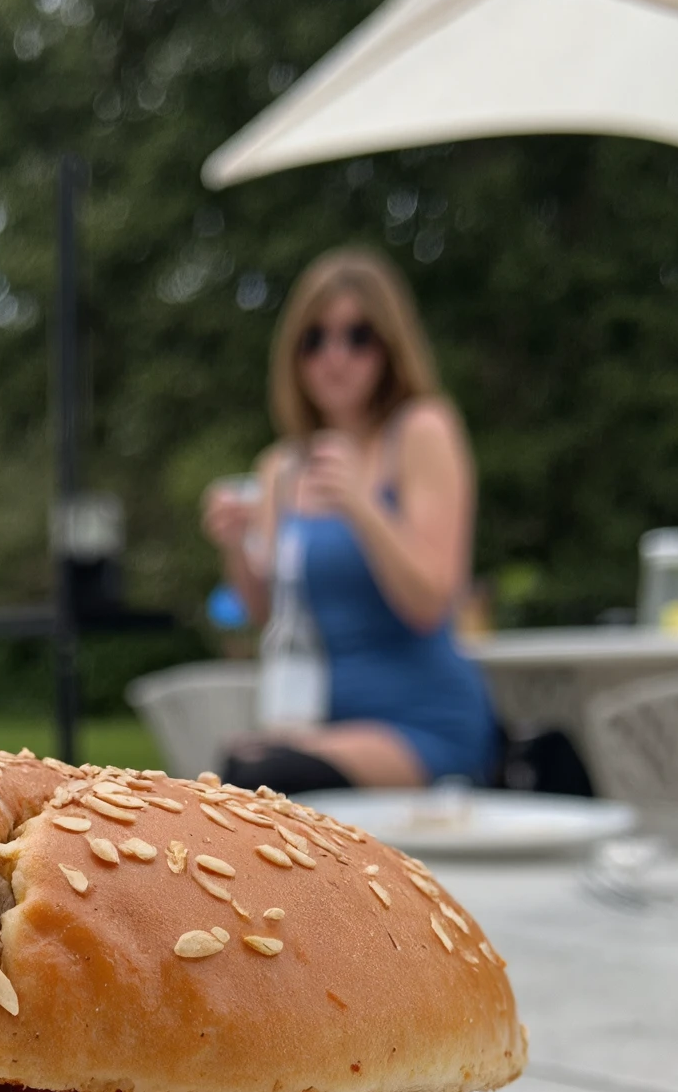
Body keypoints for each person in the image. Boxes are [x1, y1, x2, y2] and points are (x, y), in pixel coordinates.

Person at [201, 248, 497, 794]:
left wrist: (362, 504)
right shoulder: (282, 466)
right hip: (320, 722)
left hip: (422, 723)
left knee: (264, 776)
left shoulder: (421, 430)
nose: (335, 357)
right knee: (231, 775)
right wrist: (236, 544)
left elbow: (432, 603)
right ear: (294, 354)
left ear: (389, 345)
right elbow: (269, 614)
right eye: (315, 339)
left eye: (357, 336)